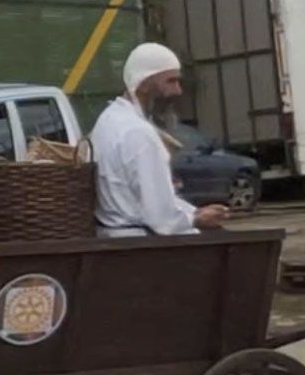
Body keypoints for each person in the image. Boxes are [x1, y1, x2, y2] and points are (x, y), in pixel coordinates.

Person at [91, 43, 227, 237]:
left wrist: (193, 212)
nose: (178, 91)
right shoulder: (138, 133)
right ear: (144, 84)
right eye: (170, 81)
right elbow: (162, 217)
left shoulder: (110, 119)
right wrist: (197, 219)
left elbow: (153, 198)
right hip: (142, 244)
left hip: (117, 236)